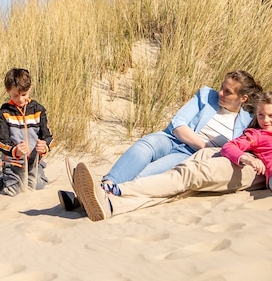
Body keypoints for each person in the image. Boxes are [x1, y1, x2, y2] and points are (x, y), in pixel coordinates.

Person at [72, 92, 272, 221]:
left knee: (186, 181)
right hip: (271, 175)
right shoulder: (257, 135)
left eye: (271, 116)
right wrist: (246, 158)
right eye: (261, 115)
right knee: (183, 179)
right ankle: (112, 200)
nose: (265, 120)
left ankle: (114, 197)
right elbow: (232, 147)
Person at [57, 70, 260, 211]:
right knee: (144, 147)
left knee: (148, 173)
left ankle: (82, 199)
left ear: (242, 98)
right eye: (222, 87)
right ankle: (106, 185)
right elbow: (178, 124)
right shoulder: (207, 95)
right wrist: (204, 145)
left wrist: (202, 150)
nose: (221, 93)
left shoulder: (246, 122)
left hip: (189, 155)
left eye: (228, 92)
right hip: (172, 138)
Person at [0, 68, 53, 196]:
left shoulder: (38, 110)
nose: (20, 99)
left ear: (30, 89)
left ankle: (36, 175)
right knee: (13, 191)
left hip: (34, 163)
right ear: (7, 90)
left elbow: (49, 137)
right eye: (15, 95)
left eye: (24, 94)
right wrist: (15, 150)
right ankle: (1, 180)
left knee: (38, 186)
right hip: (13, 164)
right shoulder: (4, 112)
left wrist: (45, 147)